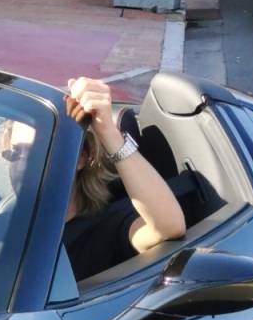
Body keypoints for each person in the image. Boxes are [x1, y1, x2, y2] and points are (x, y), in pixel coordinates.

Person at [60, 77, 186, 278]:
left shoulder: (106, 229)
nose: (21, 163)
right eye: (13, 153)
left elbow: (168, 227)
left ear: (80, 159)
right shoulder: (5, 225)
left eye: (37, 152)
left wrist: (108, 133)